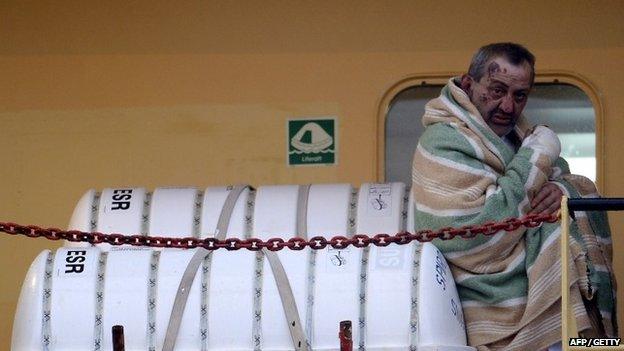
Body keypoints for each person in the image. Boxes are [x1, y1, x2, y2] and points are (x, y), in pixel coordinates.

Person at [412, 43, 617, 350]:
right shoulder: (442, 141)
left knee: (602, 347)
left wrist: (561, 192)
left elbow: (566, 180)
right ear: (469, 84)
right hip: (501, 322)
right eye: (497, 90)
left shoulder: (518, 135)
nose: (508, 106)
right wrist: (539, 152)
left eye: (519, 95)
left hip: (560, 306)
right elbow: (473, 236)